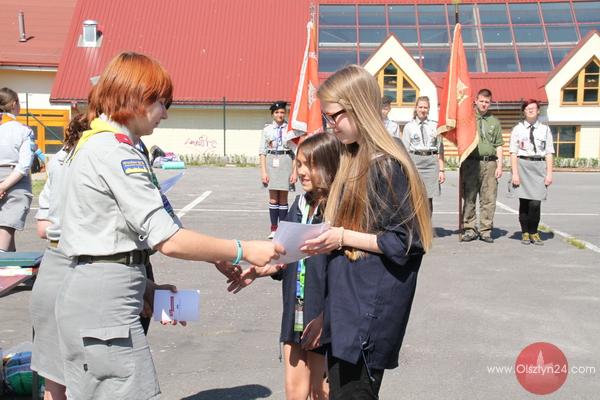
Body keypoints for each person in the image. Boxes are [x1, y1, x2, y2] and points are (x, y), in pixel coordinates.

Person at [54, 52, 283, 400]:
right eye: (161, 102)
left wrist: (143, 285)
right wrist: (244, 249)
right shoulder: (115, 151)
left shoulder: (99, 144)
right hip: (104, 303)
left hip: (96, 291)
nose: (165, 112)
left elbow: (105, 237)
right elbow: (168, 240)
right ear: (135, 97)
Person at [300, 65, 432, 399]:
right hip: (346, 312)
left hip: (366, 317)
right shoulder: (354, 158)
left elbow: (406, 242)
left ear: (357, 107)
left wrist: (342, 237)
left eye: (334, 116)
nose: (330, 124)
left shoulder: (386, 165)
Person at [229, 132, 342, 400]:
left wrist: (326, 317)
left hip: (323, 314)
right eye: (299, 164)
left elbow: (347, 275)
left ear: (330, 165)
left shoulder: (341, 209)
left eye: (309, 165)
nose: (301, 172)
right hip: (296, 308)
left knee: (321, 391)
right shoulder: (300, 204)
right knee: (294, 391)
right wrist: (264, 269)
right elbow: (286, 252)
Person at [461, 88, 503, 243]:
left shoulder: (494, 122)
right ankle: (470, 229)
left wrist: (500, 166)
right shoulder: (468, 119)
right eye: (482, 101)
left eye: (487, 102)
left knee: (489, 198)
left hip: (490, 163)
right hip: (471, 163)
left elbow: (499, 145)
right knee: (469, 196)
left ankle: (485, 230)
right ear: (476, 101)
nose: (484, 104)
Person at [509, 99, 554, 245]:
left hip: (539, 166)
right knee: (524, 202)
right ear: (524, 111)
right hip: (522, 166)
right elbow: (513, 153)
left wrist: (549, 173)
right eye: (527, 108)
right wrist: (515, 174)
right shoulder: (517, 129)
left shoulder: (545, 129)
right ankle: (525, 232)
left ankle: (534, 232)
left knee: (535, 203)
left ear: (538, 110)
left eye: (533, 108)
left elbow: (549, 152)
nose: (530, 110)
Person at [0, 87, 34, 251]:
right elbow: (24, 164)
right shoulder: (23, 130)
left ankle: (10, 261)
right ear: (14, 104)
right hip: (15, 180)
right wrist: (3, 186)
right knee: (7, 226)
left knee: (8, 234)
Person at [259, 101, 297, 239]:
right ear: (272, 114)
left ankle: (282, 228)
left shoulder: (290, 131)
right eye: (277, 112)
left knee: (283, 198)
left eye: (282, 112)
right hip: (272, 161)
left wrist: (295, 172)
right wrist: (263, 172)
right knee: (273, 198)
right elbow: (262, 152)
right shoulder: (267, 130)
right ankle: (274, 228)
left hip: (286, 161)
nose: (280, 115)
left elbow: (296, 152)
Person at [402, 96, 445, 214]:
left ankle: (427, 224)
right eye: (420, 107)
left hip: (431, 162)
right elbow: (405, 151)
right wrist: (406, 169)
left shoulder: (435, 126)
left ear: (429, 109)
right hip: (415, 161)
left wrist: (441, 170)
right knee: (415, 197)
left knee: (428, 198)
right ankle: (416, 224)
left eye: (425, 107)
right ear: (416, 108)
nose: (423, 110)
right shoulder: (409, 127)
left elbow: (440, 149)